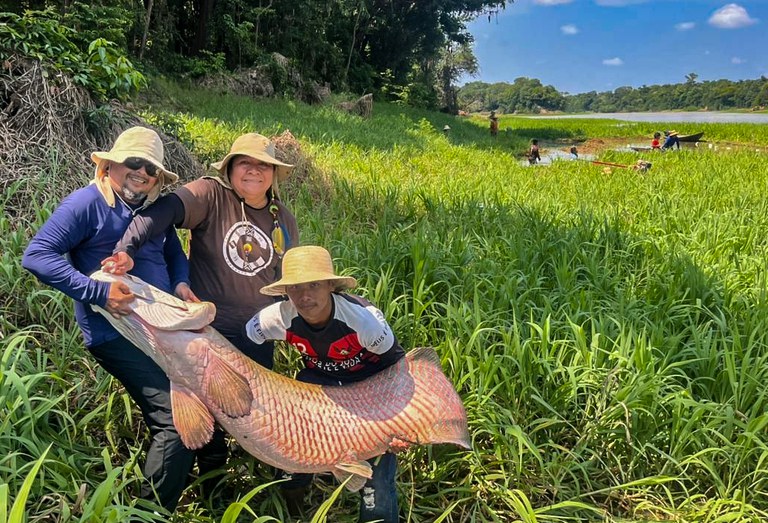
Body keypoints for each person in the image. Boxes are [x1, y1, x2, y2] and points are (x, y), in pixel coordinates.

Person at [101, 132, 300, 497]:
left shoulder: (283, 219)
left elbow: (289, 281)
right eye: (245, 162)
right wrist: (125, 248)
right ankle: (211, 482)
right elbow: (161, 213)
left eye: (263, 165)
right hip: (205, 333)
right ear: (230, 168)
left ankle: (250, 488)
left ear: (274, 172)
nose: (254, 171)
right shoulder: (210, 194)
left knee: (249, 414)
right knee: (203, 410)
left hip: (257, 333)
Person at [22, 127, 198, 514]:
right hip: (114, 332)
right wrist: (98, 292)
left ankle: (190, 484)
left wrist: (182, 284)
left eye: (150, 168)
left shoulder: (152, 210)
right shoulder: (87, 203)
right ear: (112, 164)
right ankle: (147, 514)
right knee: (175, 421)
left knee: (195, 404)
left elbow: (173, 253)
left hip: (162, 325)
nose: (142, 172)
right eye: (133, 162)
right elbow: (37, 255)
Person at [244, 245, 405, 522]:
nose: (304, 297)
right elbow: (249, 344)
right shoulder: (276, 318)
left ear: (331, 285)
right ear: (285, 292)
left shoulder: (364, 322)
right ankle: (294, 511)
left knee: (375, 483)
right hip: (317, 386)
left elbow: (398, 368)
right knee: (289, 464)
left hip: (370, 388)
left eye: (314, 285)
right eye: (295, 288)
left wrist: (399, 424)